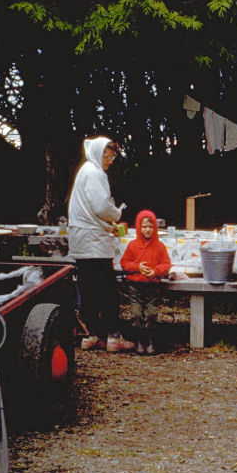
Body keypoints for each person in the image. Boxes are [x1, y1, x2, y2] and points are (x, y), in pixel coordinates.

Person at [67, 135, 135, 352]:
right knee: (106, 290)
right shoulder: (94, 173)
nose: (110, 160)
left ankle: (94, 334)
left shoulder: (86, 171)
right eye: (108, 156)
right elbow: (101, 206)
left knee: (88, 289)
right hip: (93, 241)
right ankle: (113, 336)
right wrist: (116, 213)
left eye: (112, 156)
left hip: (83, 240)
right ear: (99, 153)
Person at [119, 209, 172, 355]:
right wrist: (138, 267)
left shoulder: (159, 246)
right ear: (138, 227)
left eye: (150, 226)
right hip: (135, 287)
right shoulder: (132, 245)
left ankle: (150, 340)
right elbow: (124, 263)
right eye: (144, 227)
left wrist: (155, 271)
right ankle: (139, 340)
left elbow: (166, 265)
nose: (147, 230)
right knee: (137, 315)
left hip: (152, 287)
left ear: (155, 228)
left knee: (151, 315)